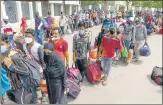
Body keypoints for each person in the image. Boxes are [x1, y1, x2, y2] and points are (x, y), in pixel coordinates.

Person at [0, 35, 30, 104]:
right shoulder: (1, 55)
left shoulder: (14, 56)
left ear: (8, 44)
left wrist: (11, 66)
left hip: (18, 87)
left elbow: (26, 71)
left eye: (2, 44)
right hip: (7, 88)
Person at [24, 28, 46, 103]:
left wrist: (44, 72)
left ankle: (44, 96)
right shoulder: (25, 46)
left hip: (39, 70)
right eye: (25, 36)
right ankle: (34, 98)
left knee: (42, 84)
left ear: (33, 37)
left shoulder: (39, 47)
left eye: (29, 36)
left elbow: (43, 61)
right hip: (30, 70)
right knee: (32, 85)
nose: (27, 38)